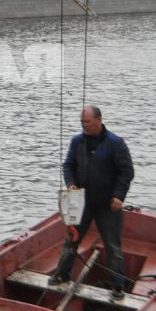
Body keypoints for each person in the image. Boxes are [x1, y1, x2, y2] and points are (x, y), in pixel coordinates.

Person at [53, 105, 136, 292]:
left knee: (112, 245)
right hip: (81, 202)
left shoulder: (115, 143)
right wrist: (71, 183)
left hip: (107, 204)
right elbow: (68, 165)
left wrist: (119, 195)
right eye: (81, 122)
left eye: (87, 122)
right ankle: (61, 274)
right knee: (71, 239)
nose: (84, 126)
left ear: (99, 120)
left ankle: (117, 285)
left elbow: (127, 172)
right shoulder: (77, 141)